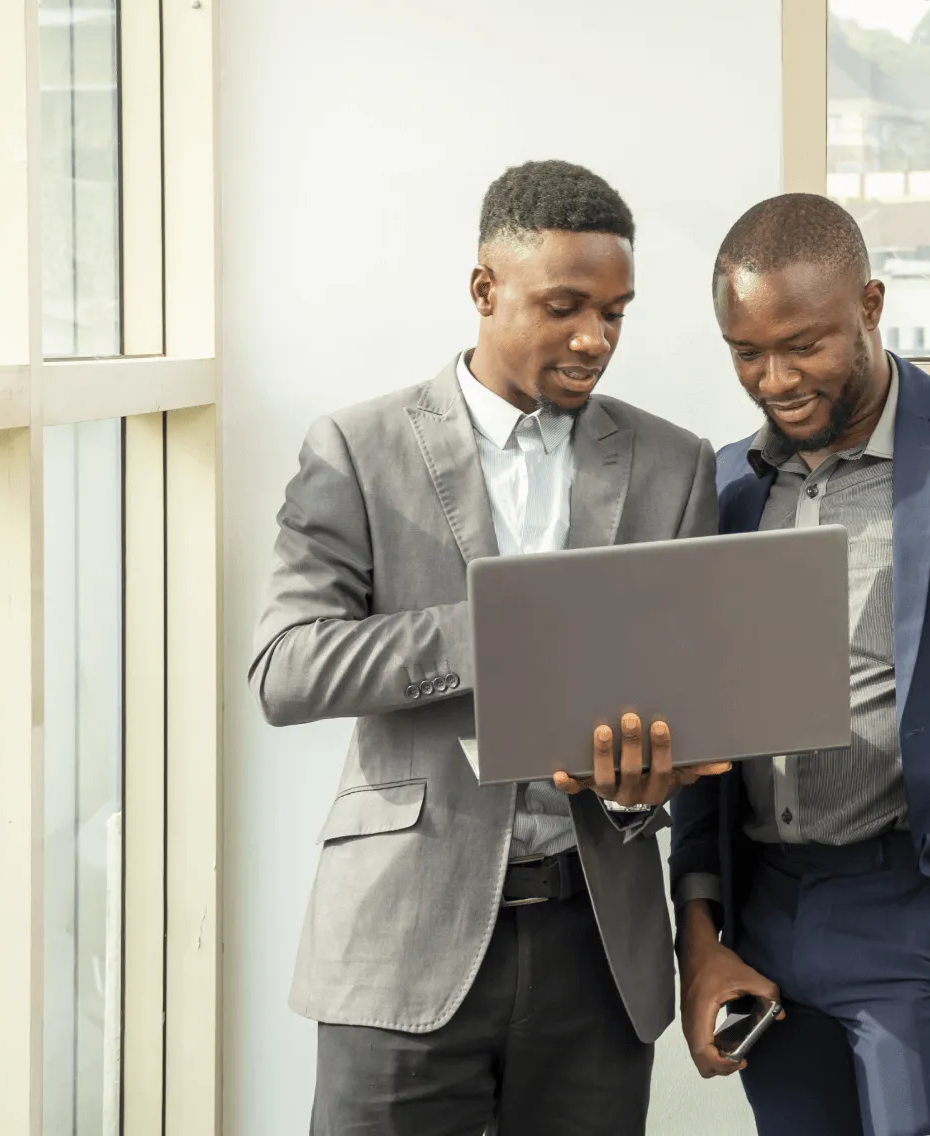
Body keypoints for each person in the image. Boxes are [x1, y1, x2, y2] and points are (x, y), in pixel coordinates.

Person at [250, 159, 729, 1136]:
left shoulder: (672, 463)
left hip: (594, 946)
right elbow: (286, 668)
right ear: (483, 289)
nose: (593, 338)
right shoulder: (355, 447)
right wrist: (504, 624)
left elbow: (685, 697)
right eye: (563, 306)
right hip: (401, 937)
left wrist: (642, 792)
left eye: (614, 311)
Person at [670, 192, 930, 1136]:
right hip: (767, 925)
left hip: (925, 912)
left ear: (873, 306)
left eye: (803, 344)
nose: (776, 378)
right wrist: (701, 939)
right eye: (746, 352)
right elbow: (697, 733)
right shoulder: (719, 487)